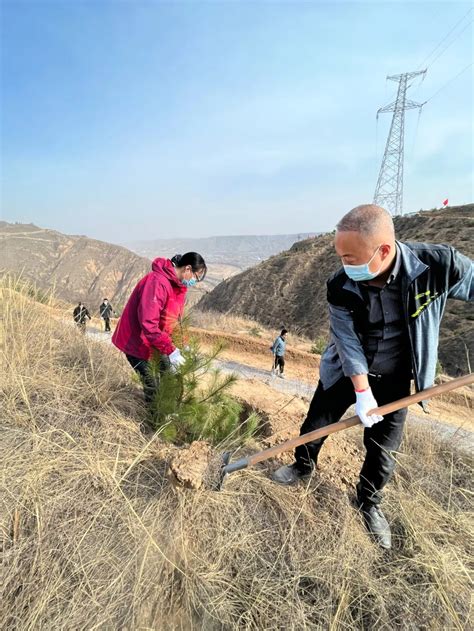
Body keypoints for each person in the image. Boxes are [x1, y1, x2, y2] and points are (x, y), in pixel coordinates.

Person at [272, 204, 473, 549]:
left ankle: (368, 501)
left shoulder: (438, 266)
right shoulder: (340, 284)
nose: (344, 265)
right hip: (345, 371)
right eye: (341, 257)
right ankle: (302, 466)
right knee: (316, 424)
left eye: (351, 258)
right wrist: (362, 391)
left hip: (396, 377)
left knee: (383, 450)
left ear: (383, 250)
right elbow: (347, 341)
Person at [112, 252, 207, 405]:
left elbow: (173, 320)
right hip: (136, 342)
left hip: (154, 342)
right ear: (187, 269)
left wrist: (182, 344)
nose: (195, 281)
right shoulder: (157, 282)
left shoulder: (178, 287)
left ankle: (167, 416)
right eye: (196, 277)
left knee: (168, 379)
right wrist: (170, 350)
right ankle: (154, 423)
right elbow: (148, 324)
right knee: (153, 388)